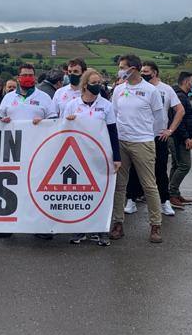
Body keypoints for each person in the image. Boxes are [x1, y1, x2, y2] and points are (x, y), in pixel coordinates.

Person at [61, 68, 121, 245]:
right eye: (94, 83)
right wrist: (69, 121)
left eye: (99, 83)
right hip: (77, 155)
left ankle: (100, 229)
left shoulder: (106, 106)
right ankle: (79, 229)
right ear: (85, 85)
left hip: (101, 155)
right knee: (79, 193)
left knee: (101, 192)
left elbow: (112, 132)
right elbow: (62, 130)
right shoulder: (72, 105)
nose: (98, 86)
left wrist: (116, 157)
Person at [109, 55, 165, 243]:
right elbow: (114, 114)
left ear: (133, 68)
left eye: (122, 67)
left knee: (149, 185)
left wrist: (149, 135)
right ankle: (118, 223)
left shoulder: (150, 91)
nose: (120, 70)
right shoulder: (118, 90)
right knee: (120, 186)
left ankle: (155, 225)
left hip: (143, 142)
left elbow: (159, 119)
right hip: (121, 142)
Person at [140, 62, 184, 217]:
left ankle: (165, 202)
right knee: (135, 170)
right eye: (141, 71)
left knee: (160, 170)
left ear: (155, 72)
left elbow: (180, 110)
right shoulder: (138, 88)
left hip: (159, 136)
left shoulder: (166, 89)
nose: (143, 73)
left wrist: (170, 130)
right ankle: (132, 199)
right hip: (140, 136)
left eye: (146, 71)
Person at [167, 71, 192, 208]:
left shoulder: (178, 95)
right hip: (178, 138)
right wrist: (186, 138)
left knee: (176, 164)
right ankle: (172, 194)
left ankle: (173, 192)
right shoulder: (180, 97)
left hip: (177, 136)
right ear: (186, 82)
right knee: (184, 165)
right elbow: (179, 120)